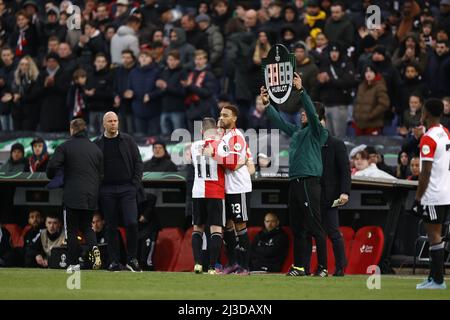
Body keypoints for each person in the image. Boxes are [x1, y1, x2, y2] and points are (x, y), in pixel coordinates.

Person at [260, 72, 329, 277]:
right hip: (295, 181)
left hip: (309, 180)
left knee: (315, 227)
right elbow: (280, 123)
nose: (302, 114)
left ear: (316, 116)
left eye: (305, 113)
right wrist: (267, 105)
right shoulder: (299, 132)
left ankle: (323, 267)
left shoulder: (318, 131)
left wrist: (301, 91)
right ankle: (300, 267)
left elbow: (311, 112)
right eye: (301, 112)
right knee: (298, 228)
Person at [46, 118, 103, 271]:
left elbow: (52, 167)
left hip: (72, 195)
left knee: (71, 230)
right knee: (87, 227)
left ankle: (73, 264)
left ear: (72, 130)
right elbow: (101, 174)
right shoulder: (96, 149)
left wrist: (55, 176)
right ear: (85, 129)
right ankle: (94, 248)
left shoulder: (65, 147)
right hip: (91, 195)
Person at [95, 111, 143, 272]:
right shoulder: (97, 144)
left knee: (132, 222)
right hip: (107, 189)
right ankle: (114, 261)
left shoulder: (128, 140)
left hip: (127, 188)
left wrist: (134, 185)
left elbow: (138, 162)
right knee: (110, 226)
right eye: (110, 121)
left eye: (115, 120)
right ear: (104, 124)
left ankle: (132, 259)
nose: (113, 123)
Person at [304, 112, 351, 276]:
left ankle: (340, 268)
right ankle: (311, 268)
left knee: (333, 233)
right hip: (312, 194)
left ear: (324, 122)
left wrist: (345, 192)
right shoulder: (309, 143)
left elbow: (345, 171)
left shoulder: (336, 144)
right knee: (311, 233)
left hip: (330, 196)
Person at [413, 98, 450, 290]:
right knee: (434, 235)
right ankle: (433, 277)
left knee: (434, 235)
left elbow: (425, 172)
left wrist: (418, 198)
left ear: (426, 114)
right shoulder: (445, 132)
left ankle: (438, 281)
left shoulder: (428, 139)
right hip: (445, 191)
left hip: (433, 194)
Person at [214, 105, 253, 275]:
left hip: (238, 187)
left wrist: (213, 154)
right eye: (220, 115)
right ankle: (232, 263)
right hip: (224, 188)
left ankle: (244, 266)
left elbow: (231, 163)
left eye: (225, 115)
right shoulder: (223, 136)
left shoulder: (237, 137)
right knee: (227, 225)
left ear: (234, 118)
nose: (221, 117)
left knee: (240, 225)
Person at [190, 118, 225, 275]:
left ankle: (197, 264)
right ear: (216, 129)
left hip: (197, 191)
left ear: (202, 131)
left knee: (197, 228)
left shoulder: (193, 146)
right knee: (216, 229)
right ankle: (212, 266)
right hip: (215, 192)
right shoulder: (221, 145)